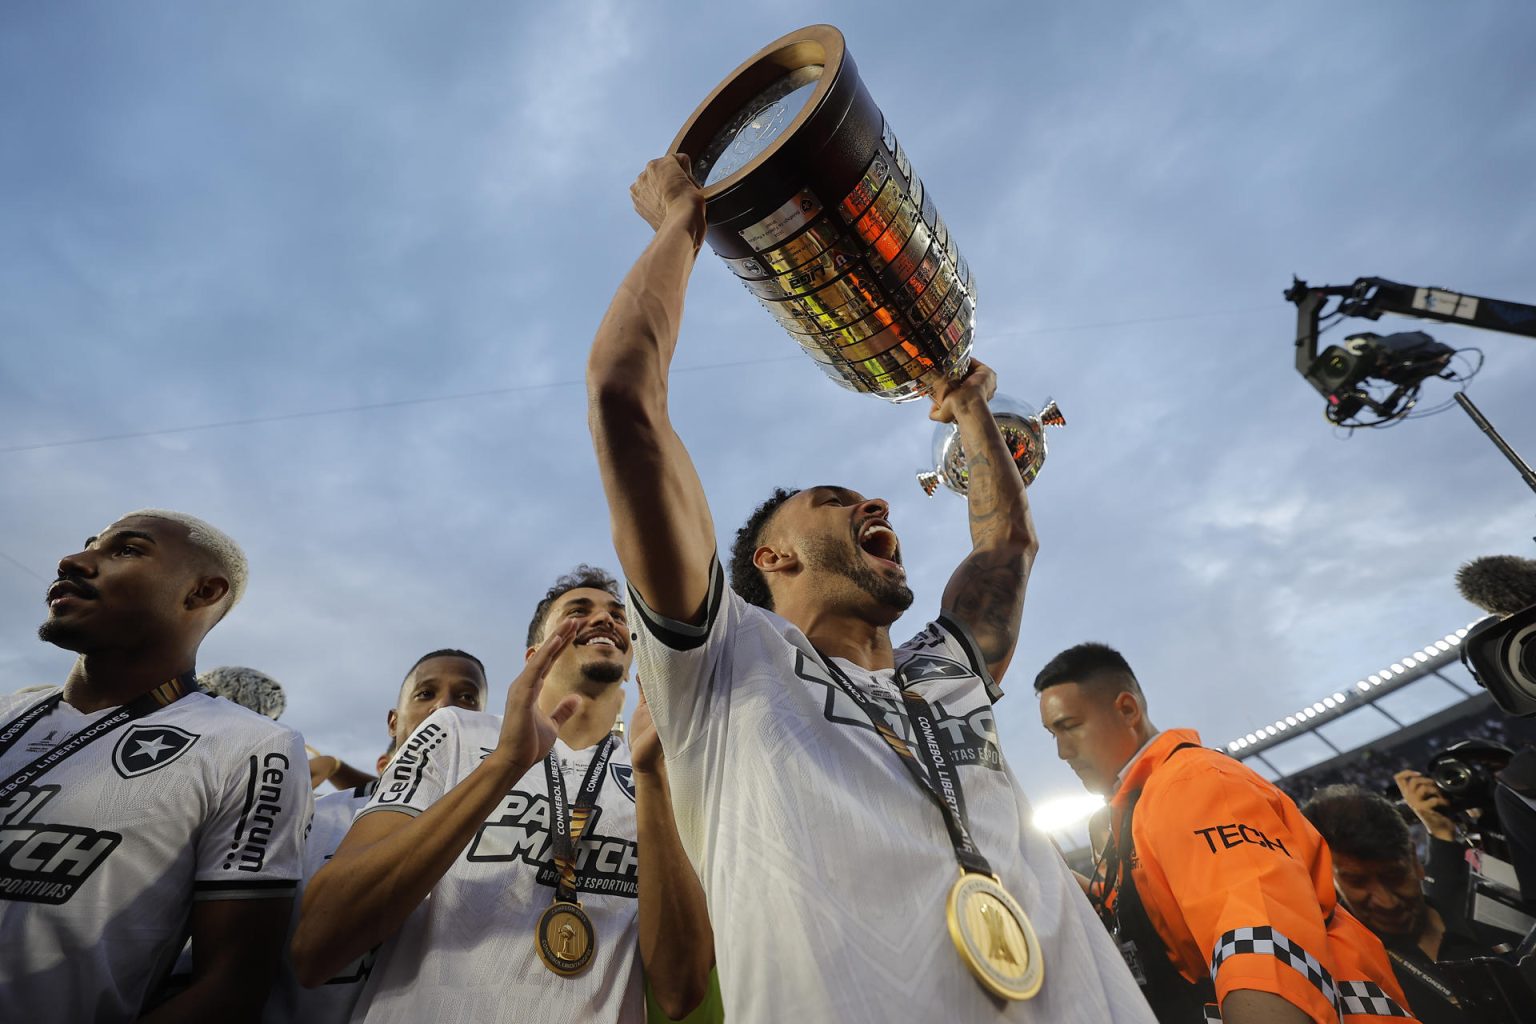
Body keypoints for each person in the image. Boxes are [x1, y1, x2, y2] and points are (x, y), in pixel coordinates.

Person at [586, 153, 1152, 1022]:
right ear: (772, 561)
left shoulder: (943, 670)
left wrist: (969, 411)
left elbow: (1007, 542)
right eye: (833, 502)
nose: (875, 501)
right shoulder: (724, 662)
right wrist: (682, 223)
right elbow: (626, 396)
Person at [292, 567, 716, 1023]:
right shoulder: (457, 731)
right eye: (578, 611)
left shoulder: (658, 770)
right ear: (537, 654)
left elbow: (680, 991)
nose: (606, 619)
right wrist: (505, 765)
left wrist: (651, 776)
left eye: (617, 614)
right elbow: (318, 944)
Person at [0, 510, 310, 1023]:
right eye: (88, 544)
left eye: (125, 550)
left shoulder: (249, 745)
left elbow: (230, 988)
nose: (73, 560)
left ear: (202, 593)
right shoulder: (9, 713)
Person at [1036, 641, 1418, 1023]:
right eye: (1053, 734)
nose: (1063, 751)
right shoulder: (1137, 808)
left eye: (1069, 727)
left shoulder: (1194, 784)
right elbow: (1153, 927)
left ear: (1127, 709)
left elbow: (1259, 939)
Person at [265, 650, 490, 1024]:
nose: (445, 710)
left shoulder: (503, 831)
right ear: (393, 721)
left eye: (467, 698)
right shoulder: (314, 817)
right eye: (425, 694)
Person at [1302, 785, 1491, 1023]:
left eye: (1395, 876)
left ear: (1414, 859)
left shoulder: (1486, 916)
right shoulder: (1339, 978)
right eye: (1357, 881)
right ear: (1331, 880)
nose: (1387, 902)